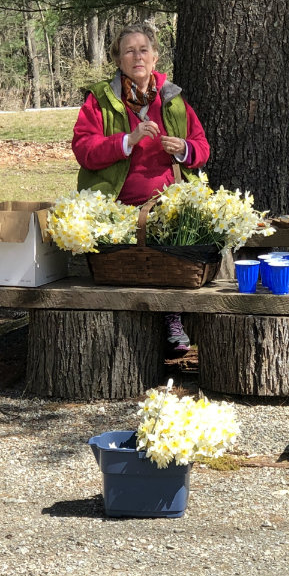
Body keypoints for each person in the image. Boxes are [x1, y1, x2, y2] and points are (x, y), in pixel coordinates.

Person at [72, 23, 210, 353]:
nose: (137, 56)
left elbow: (201, 146)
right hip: (116, 202)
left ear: (155, 57)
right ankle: (121, 338)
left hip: (169, 202)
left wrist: (184, 149)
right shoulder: (100, 101)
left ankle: (173, 318)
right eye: (129, 50)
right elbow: (84, 150)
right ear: (118, 60)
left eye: (143, 50)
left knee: (174, 254)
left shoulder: (173, 101)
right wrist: (127, 141)